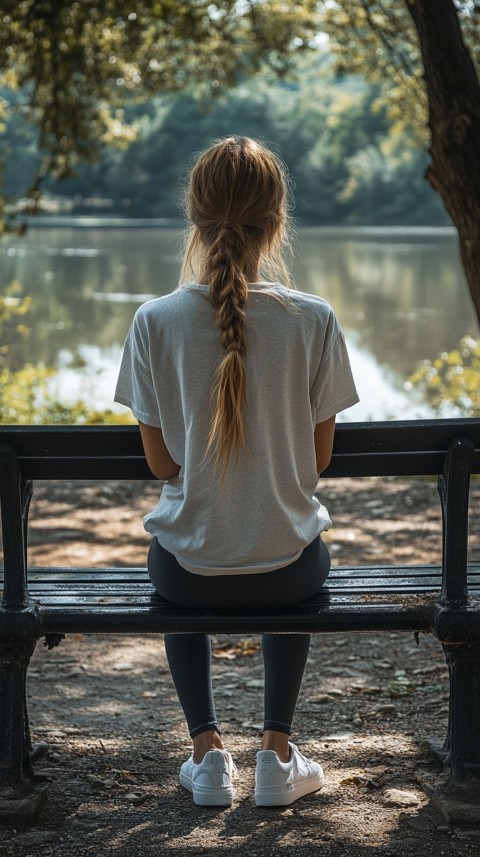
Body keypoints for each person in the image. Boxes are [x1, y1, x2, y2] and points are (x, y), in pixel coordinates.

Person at [114, 135, 359, 808]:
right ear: (277, 222)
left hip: (186, 573)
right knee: (296, 550)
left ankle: (208, 756)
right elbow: (317, 461)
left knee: (174, 558)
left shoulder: (153, 321)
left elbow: (162, 462)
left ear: (193, 218)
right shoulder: (314, 319)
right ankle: (277, 756)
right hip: (289, 570)